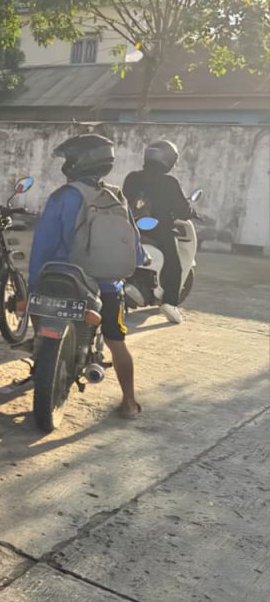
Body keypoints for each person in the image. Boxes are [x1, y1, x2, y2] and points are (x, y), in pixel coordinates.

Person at [28, 133, 142, 419]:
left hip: (67, 281)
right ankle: (129, 402)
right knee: (117, 341)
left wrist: (32, 287)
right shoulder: (116, 196)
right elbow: (133, 245)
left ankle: (40, 359)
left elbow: (43, 246)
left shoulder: (63, 197)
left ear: (80, 161)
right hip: (107, 285)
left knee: (40, 316)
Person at [123, 139, 195, 324]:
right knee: (174, 264)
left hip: (130, 229)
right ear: (169, 160)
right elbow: (182, 211)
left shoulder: (132, 178)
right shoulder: (169, 182)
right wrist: (191, 211)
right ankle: (170, 303)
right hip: (159, 231)